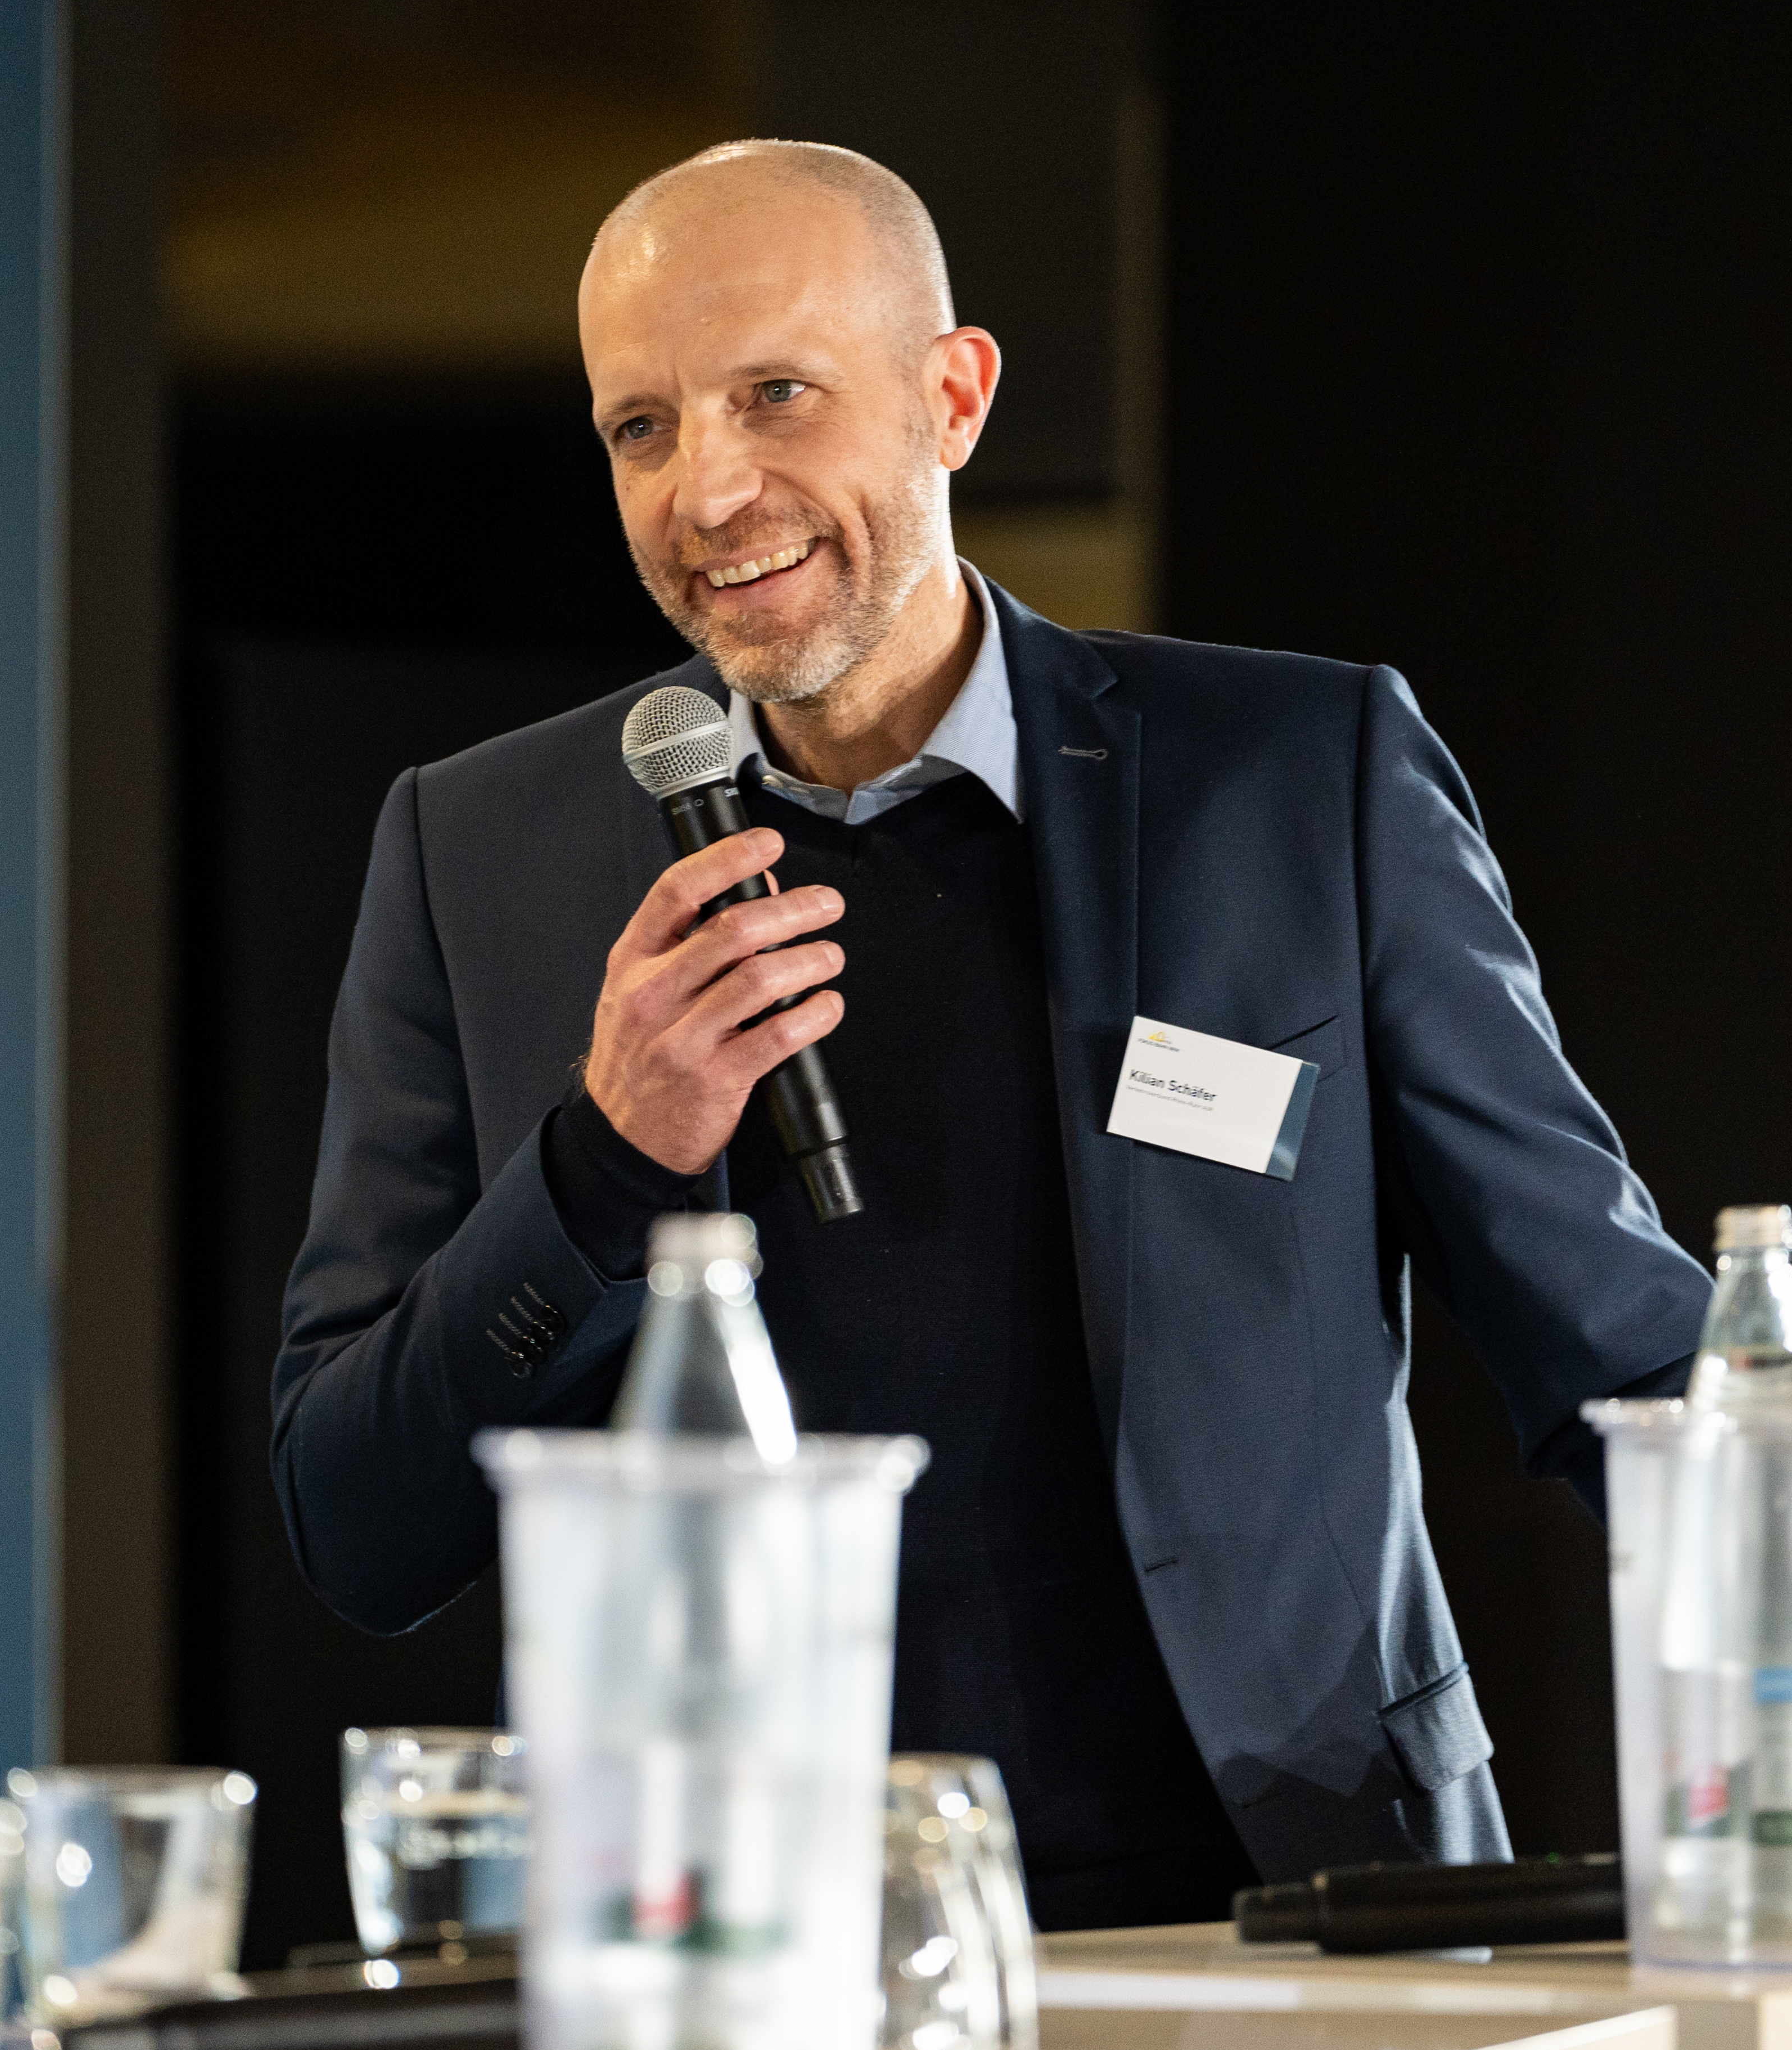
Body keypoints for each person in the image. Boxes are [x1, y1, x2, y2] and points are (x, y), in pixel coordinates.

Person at [274, 141, 1706, 1929]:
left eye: (774, 396)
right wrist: (597, 1162)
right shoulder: (479, 854)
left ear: (952, 398)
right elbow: (359, 1518)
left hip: (1286, 1896)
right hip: (735, 1946)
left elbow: (1609, 1330)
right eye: (642, 428)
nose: (711, 489)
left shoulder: (1290, 783)